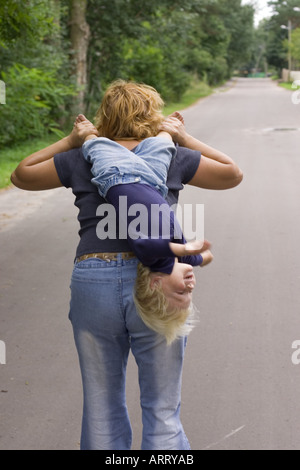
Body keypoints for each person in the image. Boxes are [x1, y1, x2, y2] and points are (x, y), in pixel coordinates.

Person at [11, 80, 243, 450]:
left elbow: (21, 174)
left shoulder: (82, 156)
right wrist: (184, 138)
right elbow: (232, 173)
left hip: (93, 278)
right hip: (157, 277)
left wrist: (71, 142)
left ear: (104, 117)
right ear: (155, 117)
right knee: (163, 408)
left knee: (101, 406)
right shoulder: (172, 156)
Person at [80, 115, 213, 344]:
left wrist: (182, 249)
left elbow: (145, 244)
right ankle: (163, 124)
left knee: (93, 142)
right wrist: (201, 258)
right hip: (153, 179)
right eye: (190, 293)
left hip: (116, 175)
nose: (190, 286)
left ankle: (86, 131)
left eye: (181, 292)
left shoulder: (156, 260)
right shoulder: (178, 263)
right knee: (164, 138)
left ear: (155, 284)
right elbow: (192, 260)